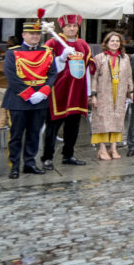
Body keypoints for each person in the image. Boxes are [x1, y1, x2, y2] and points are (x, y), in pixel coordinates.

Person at [4, 15, 62, 178]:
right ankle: (14, 165)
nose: (35, 36)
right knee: (16, 135)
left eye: (37, 34)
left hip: (40, 100)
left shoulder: (47, 52)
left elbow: (52, 74)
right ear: (24, 35)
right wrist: (29, 94)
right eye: (31, 34)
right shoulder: (12, 53)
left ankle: (29, 163)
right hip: (18, 100)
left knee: (34, 133)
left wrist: (43, 92)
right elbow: (12, 77)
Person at [42, 14, 94, 169]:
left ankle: (68, 155)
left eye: (74, 26)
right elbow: (46, 67)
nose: (72, 29)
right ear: (62, 28)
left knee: (73, 127)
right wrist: (62, 58)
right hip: (59, 92)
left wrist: (88, 92)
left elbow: (86, 69)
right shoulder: (52, 42)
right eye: (69, 26)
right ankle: (47, 158)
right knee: (53, 128)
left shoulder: (83, 44)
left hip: (77, 92)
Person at [90, 31, 133, 160]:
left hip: (119, 93)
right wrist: (93, 95)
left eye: (117, 41)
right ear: (107, 43)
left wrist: (131, 92)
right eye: (112, 41)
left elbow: (129, 76)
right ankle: (102, 149)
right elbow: (94, 77)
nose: (115, 43)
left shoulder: (125, 58)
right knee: (102, 120)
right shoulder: (99, 57)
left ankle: (113, 148)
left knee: (117, 119)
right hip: (103, 92)